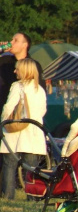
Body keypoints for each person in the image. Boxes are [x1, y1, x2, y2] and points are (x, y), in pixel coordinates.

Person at [0, 58, 46, 199]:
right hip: (34, 131)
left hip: (15, 130)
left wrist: (3, 120)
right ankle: (32, 197)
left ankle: (8, 196)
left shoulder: (17, 86)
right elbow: (43, 110)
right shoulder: (39, 88)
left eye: (17, 69)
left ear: (24, 71)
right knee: (31, 168)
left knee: (9, 164)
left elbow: (9, 106)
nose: (14, 71)